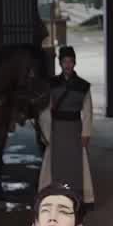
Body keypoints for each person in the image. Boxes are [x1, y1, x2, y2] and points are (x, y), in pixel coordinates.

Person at [38, 45, 93, 204]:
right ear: (60, 64)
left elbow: (88, 111)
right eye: (64, 62)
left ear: (74, 63)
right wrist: (46, 132)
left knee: (76, 163)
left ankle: (78, 196)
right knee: (55, 162)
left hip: (75, 128)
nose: (67, 65)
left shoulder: (83, 86)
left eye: (70, 61)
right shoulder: (52, 84)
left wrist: (86, 133)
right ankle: (53, 193)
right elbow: (45, 110)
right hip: (57, 128)